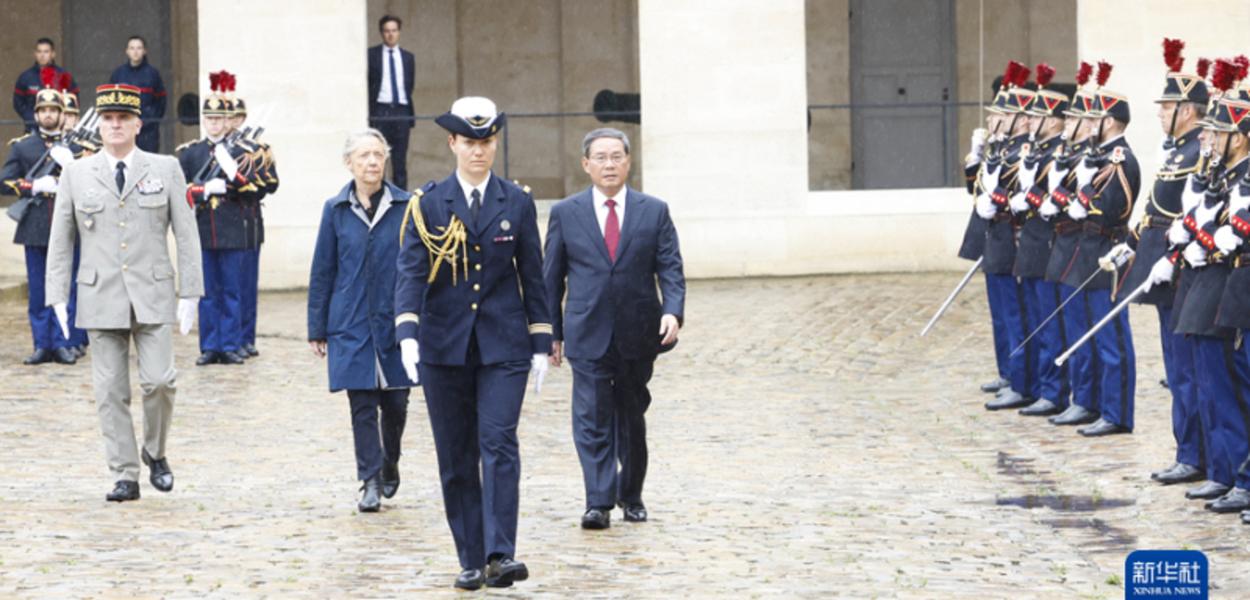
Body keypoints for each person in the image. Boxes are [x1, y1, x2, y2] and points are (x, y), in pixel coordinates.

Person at [394, 97, 549, 590]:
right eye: (469, 142)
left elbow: (534, 276)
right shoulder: (429, 203)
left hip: (504, 345)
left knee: (498, 442)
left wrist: (542, 340)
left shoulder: (517, 201)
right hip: (444, 346)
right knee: (456, 453)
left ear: (495, 144)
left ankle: (501, 553)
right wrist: (407, 333)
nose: (478, 151)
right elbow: (411, 272)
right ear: (452, 143)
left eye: (486, 142)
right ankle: (471, 555)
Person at [44, 83, 202, 502]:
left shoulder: (164, 168)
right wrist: (56, 294)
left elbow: (186, 232)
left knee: (160, 382)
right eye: (108, 119)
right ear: (100, 125)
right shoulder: (78, 173)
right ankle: (125, 473)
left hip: (152, 291)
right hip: (100, 295)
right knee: (110, 391)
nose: (115, 126)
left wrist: (191, 291)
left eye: (123, 119)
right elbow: (61, 237)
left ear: (137, 123)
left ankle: (156, 451)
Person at [543, 127, 685, 530]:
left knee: (630, 415)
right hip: (586, 331)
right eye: (600, 158)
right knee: (591, 417)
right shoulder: (566, 213)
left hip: (638, 332)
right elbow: (550, 278)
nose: (609, 164)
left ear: (628, 162)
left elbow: (670, 268)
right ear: (586, 164)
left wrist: (673, 311)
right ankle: (598, 501)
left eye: (616, 157)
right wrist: (550, 331)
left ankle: (631, 493)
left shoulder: (653, 211)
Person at [308, 129, 415, 512]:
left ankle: (390, 460)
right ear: (349, 163)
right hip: (350, 319)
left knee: (397, 401)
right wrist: (316, 327)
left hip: (394, 318)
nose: (372, 162)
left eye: (378, 155)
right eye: (364, 155)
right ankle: (369, 479)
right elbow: (323, 269)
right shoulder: (335, 209)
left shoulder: (406, 206)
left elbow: (419, 266)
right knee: (362, 403)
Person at [1121, 41, 1208, 485]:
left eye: (1167, 106)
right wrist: (1133, 241)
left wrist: (1170, 255)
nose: (1159, 113)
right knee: (1177, 369)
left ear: (1188, 110)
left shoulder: (1198, 153)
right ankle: (1189, 451)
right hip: (1159, 261)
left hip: (1180, 267)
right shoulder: (1176, 150)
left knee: (1187, 370)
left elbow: (1190, 214)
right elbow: (1158, 207)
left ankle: (1195, 455)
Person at [1163, 89, 1250, 511]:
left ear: (1240, 137)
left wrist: (1208, 239)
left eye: (1219, 133)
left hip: (1230, 281)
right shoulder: (1220, 174)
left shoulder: (1245, 176)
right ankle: (1222, 470)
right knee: (1209, 386)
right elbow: (1199, 215)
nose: (1209, 140)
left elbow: (1232, 233)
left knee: (1228, 386)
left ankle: (1237, 473)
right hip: (1210, 280)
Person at [1, 70, 84, 365]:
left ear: (62, 114)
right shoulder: (23, 147)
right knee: (38, 290)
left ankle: (62, 342)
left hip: (64, 226)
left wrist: (71, 169)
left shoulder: (75, 149)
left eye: (54, 110)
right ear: (36, 115)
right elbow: (5, 181)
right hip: (35, 224)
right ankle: (41, 344)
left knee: (64, 287)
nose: (49, 115)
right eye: (44, 110)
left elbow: (91, 186)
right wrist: (32, 185)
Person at [176, 72, 257, 366]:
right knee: (208, 291)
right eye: (209, 119)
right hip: (203, 228)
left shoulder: (241, 151)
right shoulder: (190, 153)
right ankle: (210, 345)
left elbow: (253, 188)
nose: (214, 124)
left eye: (220, 119)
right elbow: (179, 190)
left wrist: (233, 177)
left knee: (232, 290)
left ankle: (232, 344)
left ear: (227, 122)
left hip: (232, 227)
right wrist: (202, 189)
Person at [1010, 65, 1072, 417]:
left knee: (1050, 326)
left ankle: (1053, 390)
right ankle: (1036, 385)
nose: (1030, 121)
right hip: (1032, 243)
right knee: (1036, 321)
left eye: (1037, 115)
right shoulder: (1036, 152)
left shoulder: (1056, 154)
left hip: (1048, 243)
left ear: (1053, 120)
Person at [975, 64, 1037, 412]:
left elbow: (1016, 197)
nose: (994, 119)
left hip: (1011, 239)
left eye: (1002, 114)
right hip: (994, 240)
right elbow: (978, 189)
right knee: (1000, 315)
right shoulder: (1000, 149)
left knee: (1016, 316)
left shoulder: (1022, 153)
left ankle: (1019, 379)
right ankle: (1007, 371)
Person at [367, 15, 415, 189]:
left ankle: (401, 202)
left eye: (394, 31)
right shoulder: (372, 55)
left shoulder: (408, 57)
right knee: (380, 159)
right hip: (381, 110)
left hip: (402, 110)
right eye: (387, 31)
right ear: (381, 33)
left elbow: (409, 85)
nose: (390, 35)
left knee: (400, 161)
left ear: (399, 32)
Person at [109, 35, 167, 153]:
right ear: (127, 51)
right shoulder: (118, 74)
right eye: (132, 48)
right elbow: (110, 102)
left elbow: (161, 101)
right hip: (124, 129)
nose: (135, 52)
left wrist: (150, 119)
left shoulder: (153, 74)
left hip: (148, 132)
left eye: (139, 48)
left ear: (145, 51)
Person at [12, 37, 78, 132]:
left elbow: (74, 102)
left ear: (53, 54)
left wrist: (61, 118)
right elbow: (18, 103)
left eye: (46, 52)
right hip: (33, 128)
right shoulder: (25, 77)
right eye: (39, 51)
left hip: (59, 129)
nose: (42, 55)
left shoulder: (64, 76)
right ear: (35, 54)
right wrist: (33, 118)